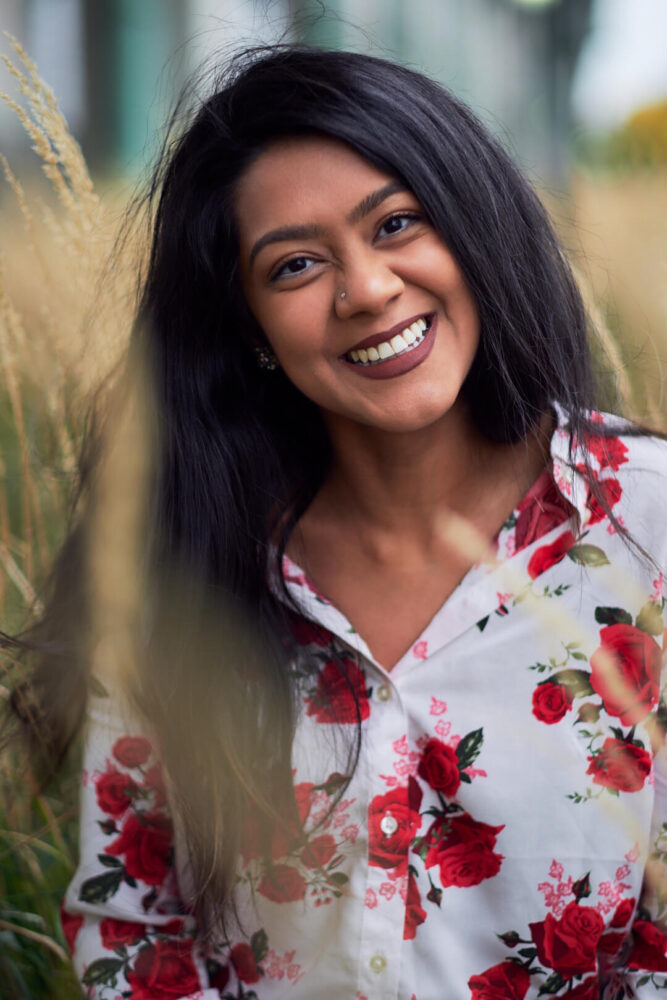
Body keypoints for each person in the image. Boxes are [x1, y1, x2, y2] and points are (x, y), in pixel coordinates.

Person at [13, 46, 667, 998]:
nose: (364, 289)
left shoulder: (645, 527)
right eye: (297, 265)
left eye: (397, 223)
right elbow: (134, 924)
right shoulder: (180, 561)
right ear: (251, 329)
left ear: (473, 227)